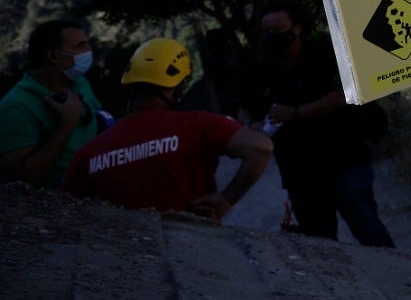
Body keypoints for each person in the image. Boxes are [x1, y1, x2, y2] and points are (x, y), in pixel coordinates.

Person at [64, 37, 273, 220]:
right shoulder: (199, 125)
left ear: (129, 85)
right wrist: (227, 198)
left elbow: (67, 209)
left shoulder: (87, 154)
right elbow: (260, 147)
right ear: (180, 87)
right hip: (192, 250)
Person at [245, 0, 394, 246]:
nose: (272, 37)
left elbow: (343, 95)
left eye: (278, 30)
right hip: (299, 171)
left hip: (343, 159)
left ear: (297, 28)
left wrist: (296, 113)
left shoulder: (326, 54)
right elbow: (246, 108)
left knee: (368, 231)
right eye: (267, 31)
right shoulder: (264, 69)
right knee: (320, 244)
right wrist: (254, 127)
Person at [0, 19, 107, 188]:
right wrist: (67, 124)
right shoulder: (16, 107)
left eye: (87, 44)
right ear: (53, 56)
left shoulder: (79, 83)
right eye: (80, 46)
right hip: (58, 206)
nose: (88, 51)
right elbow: (21, 181)